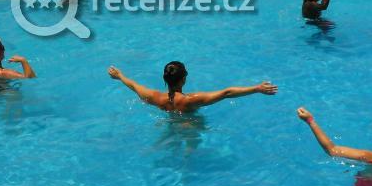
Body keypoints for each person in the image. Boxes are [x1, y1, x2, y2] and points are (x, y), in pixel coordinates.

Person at [107, 61, 277, 114]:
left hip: (170, 122)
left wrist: (119, 75)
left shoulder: (155, 97)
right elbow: (227, 92)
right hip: (190, 125)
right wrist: (256, 88)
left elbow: (134, 85)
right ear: (183, 80)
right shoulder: (191, 100)